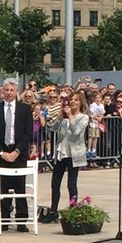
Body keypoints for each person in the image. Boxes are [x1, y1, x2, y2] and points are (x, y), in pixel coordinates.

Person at [0, 78, 33, 231]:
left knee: (20, 187)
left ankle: (21, 221)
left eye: (12, 90)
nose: (9, 93)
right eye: (6, 90)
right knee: (2, 188)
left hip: (18, 153)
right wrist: (2, 152)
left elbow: (28, 133)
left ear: (16, 92)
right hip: (0, 154)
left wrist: (16, 151)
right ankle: (3, 221)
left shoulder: (25, 109)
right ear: (2, 91)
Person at [41, 90, 90, 223]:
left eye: (76, 100)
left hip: (74, 154)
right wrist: (59, 118)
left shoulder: (83, 117)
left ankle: (73, 211)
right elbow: (52, 128)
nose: (73, 102)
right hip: (61, 153)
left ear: (81, 103)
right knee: (55, 183)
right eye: (71, 99)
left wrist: (70, 115)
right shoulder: (64, 117)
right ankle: (53, 211)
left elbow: (76, 132)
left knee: (71, 184)